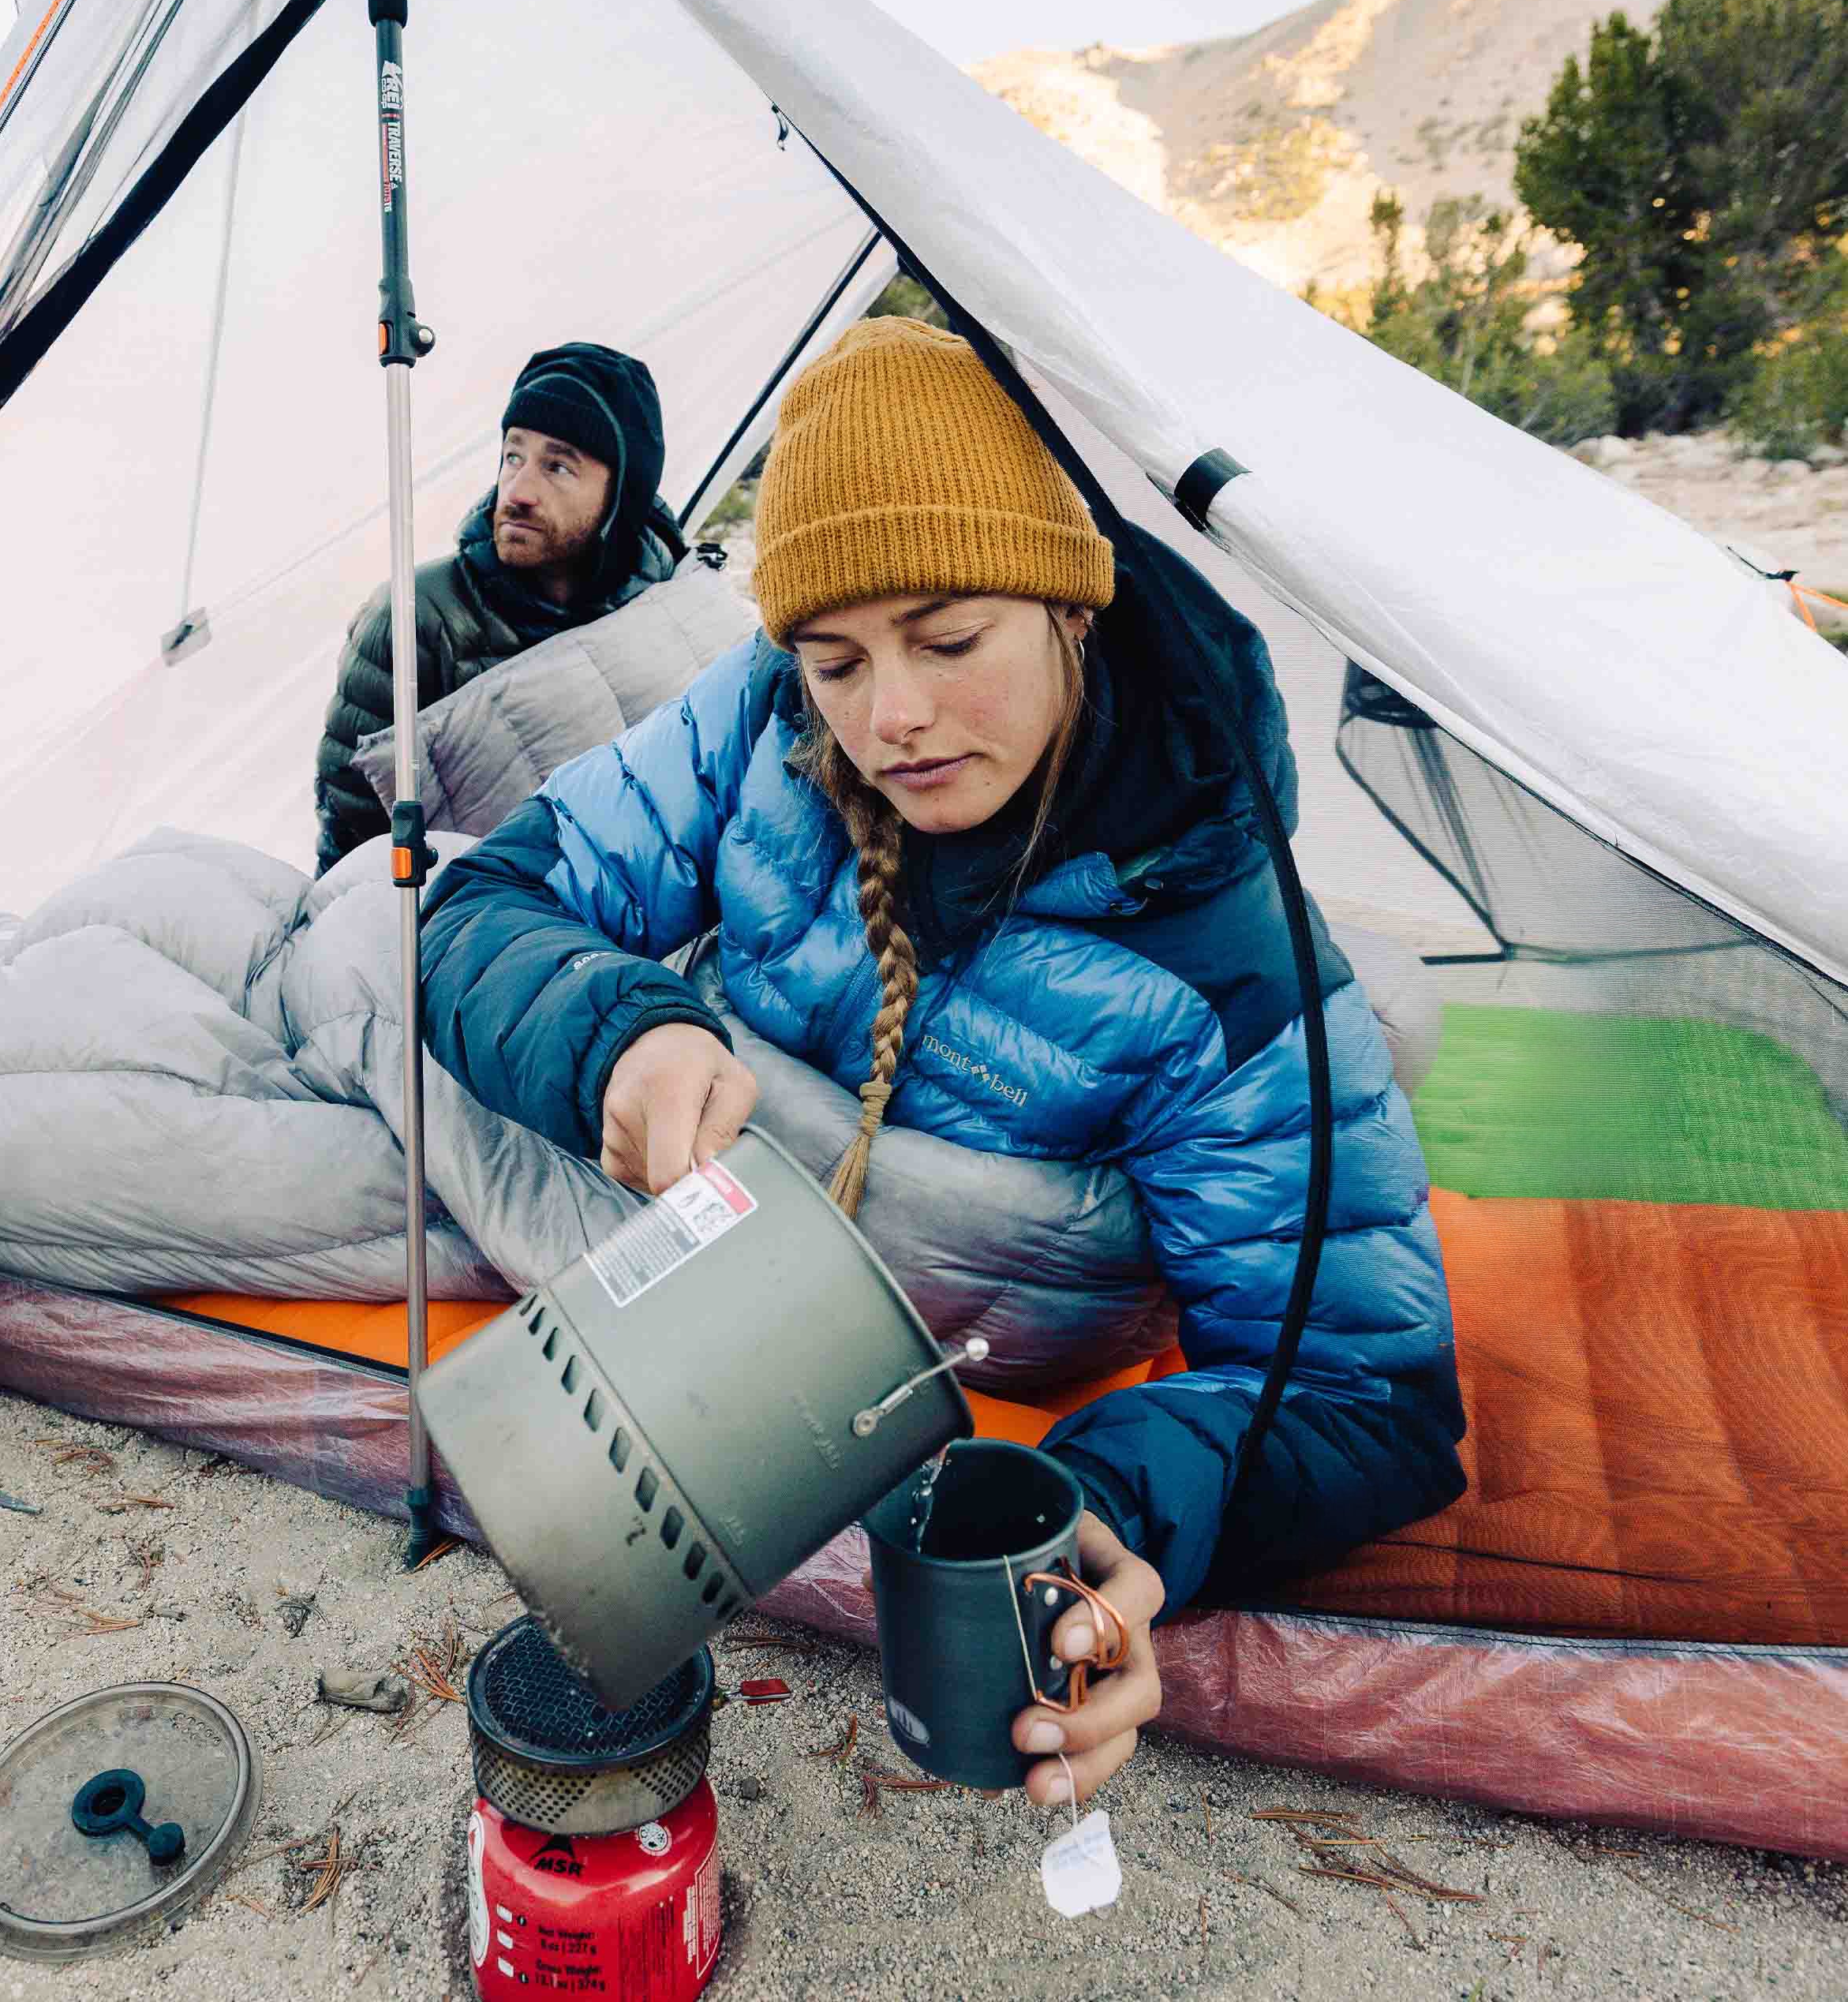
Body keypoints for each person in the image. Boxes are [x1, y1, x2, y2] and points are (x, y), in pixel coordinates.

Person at [420, 316, 1465, 1810]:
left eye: (950, 639)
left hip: (930, 1303)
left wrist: (1094, 1504)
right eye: (837, 659)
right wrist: (620, 1034)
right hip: (709, 1204)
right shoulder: (764, 718)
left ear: (1070, 605)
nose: (889, 717)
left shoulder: (1226, 960)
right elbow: (486, 904)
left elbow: (1367, 1401)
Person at [312, 340, 684, 872]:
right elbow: (353, 840)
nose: (519, 490)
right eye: (514, 455)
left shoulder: (667, 606)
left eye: (558, 467)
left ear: (620, 497)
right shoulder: (416, 617)